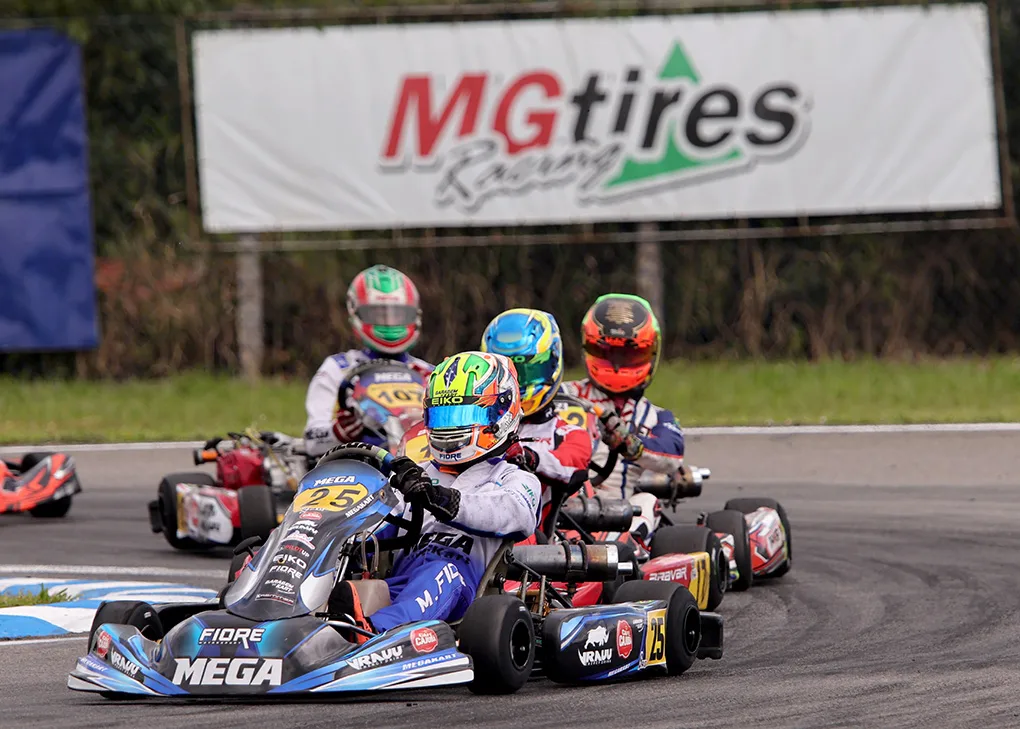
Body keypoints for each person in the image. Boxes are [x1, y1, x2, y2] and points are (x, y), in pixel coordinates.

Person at [327, 351, 540, 639]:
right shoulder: (416, 473)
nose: (451, 426)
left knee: (441, 572)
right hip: (400, 582)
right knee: (336, 558)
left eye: (464, 414)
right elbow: (376, 526)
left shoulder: (514, 479)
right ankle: (283, 615)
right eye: (443, 416)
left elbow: (506, 512)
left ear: (501, 414)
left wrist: (440, 498)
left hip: (465, 591)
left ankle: (377, 632)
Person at [562, 293, 693, 541]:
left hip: (614, 517)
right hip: (556, 509)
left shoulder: (656, 417)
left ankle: (622, 554)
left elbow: (672, 454)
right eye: (608, 352)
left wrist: (629, 443)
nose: (617, 364)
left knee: (647, 501)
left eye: (628, 355)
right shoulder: (564, 395)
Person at [303, 265, 433, 458]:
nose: (389, 322)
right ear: (356, 313)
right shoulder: (338, 369)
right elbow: (312, 440)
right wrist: (339, 432)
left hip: (423, 468)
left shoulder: (430, 373)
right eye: (379, 315)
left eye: (397, 314)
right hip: (363, 468)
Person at [479, 308, 592, 523]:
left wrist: (528, 456)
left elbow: (571, 463)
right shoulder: (473, 423)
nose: (516, 382)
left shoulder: (568, 431)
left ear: (551, 363)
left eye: (526, 371)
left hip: (528, 535)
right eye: (507, 372)